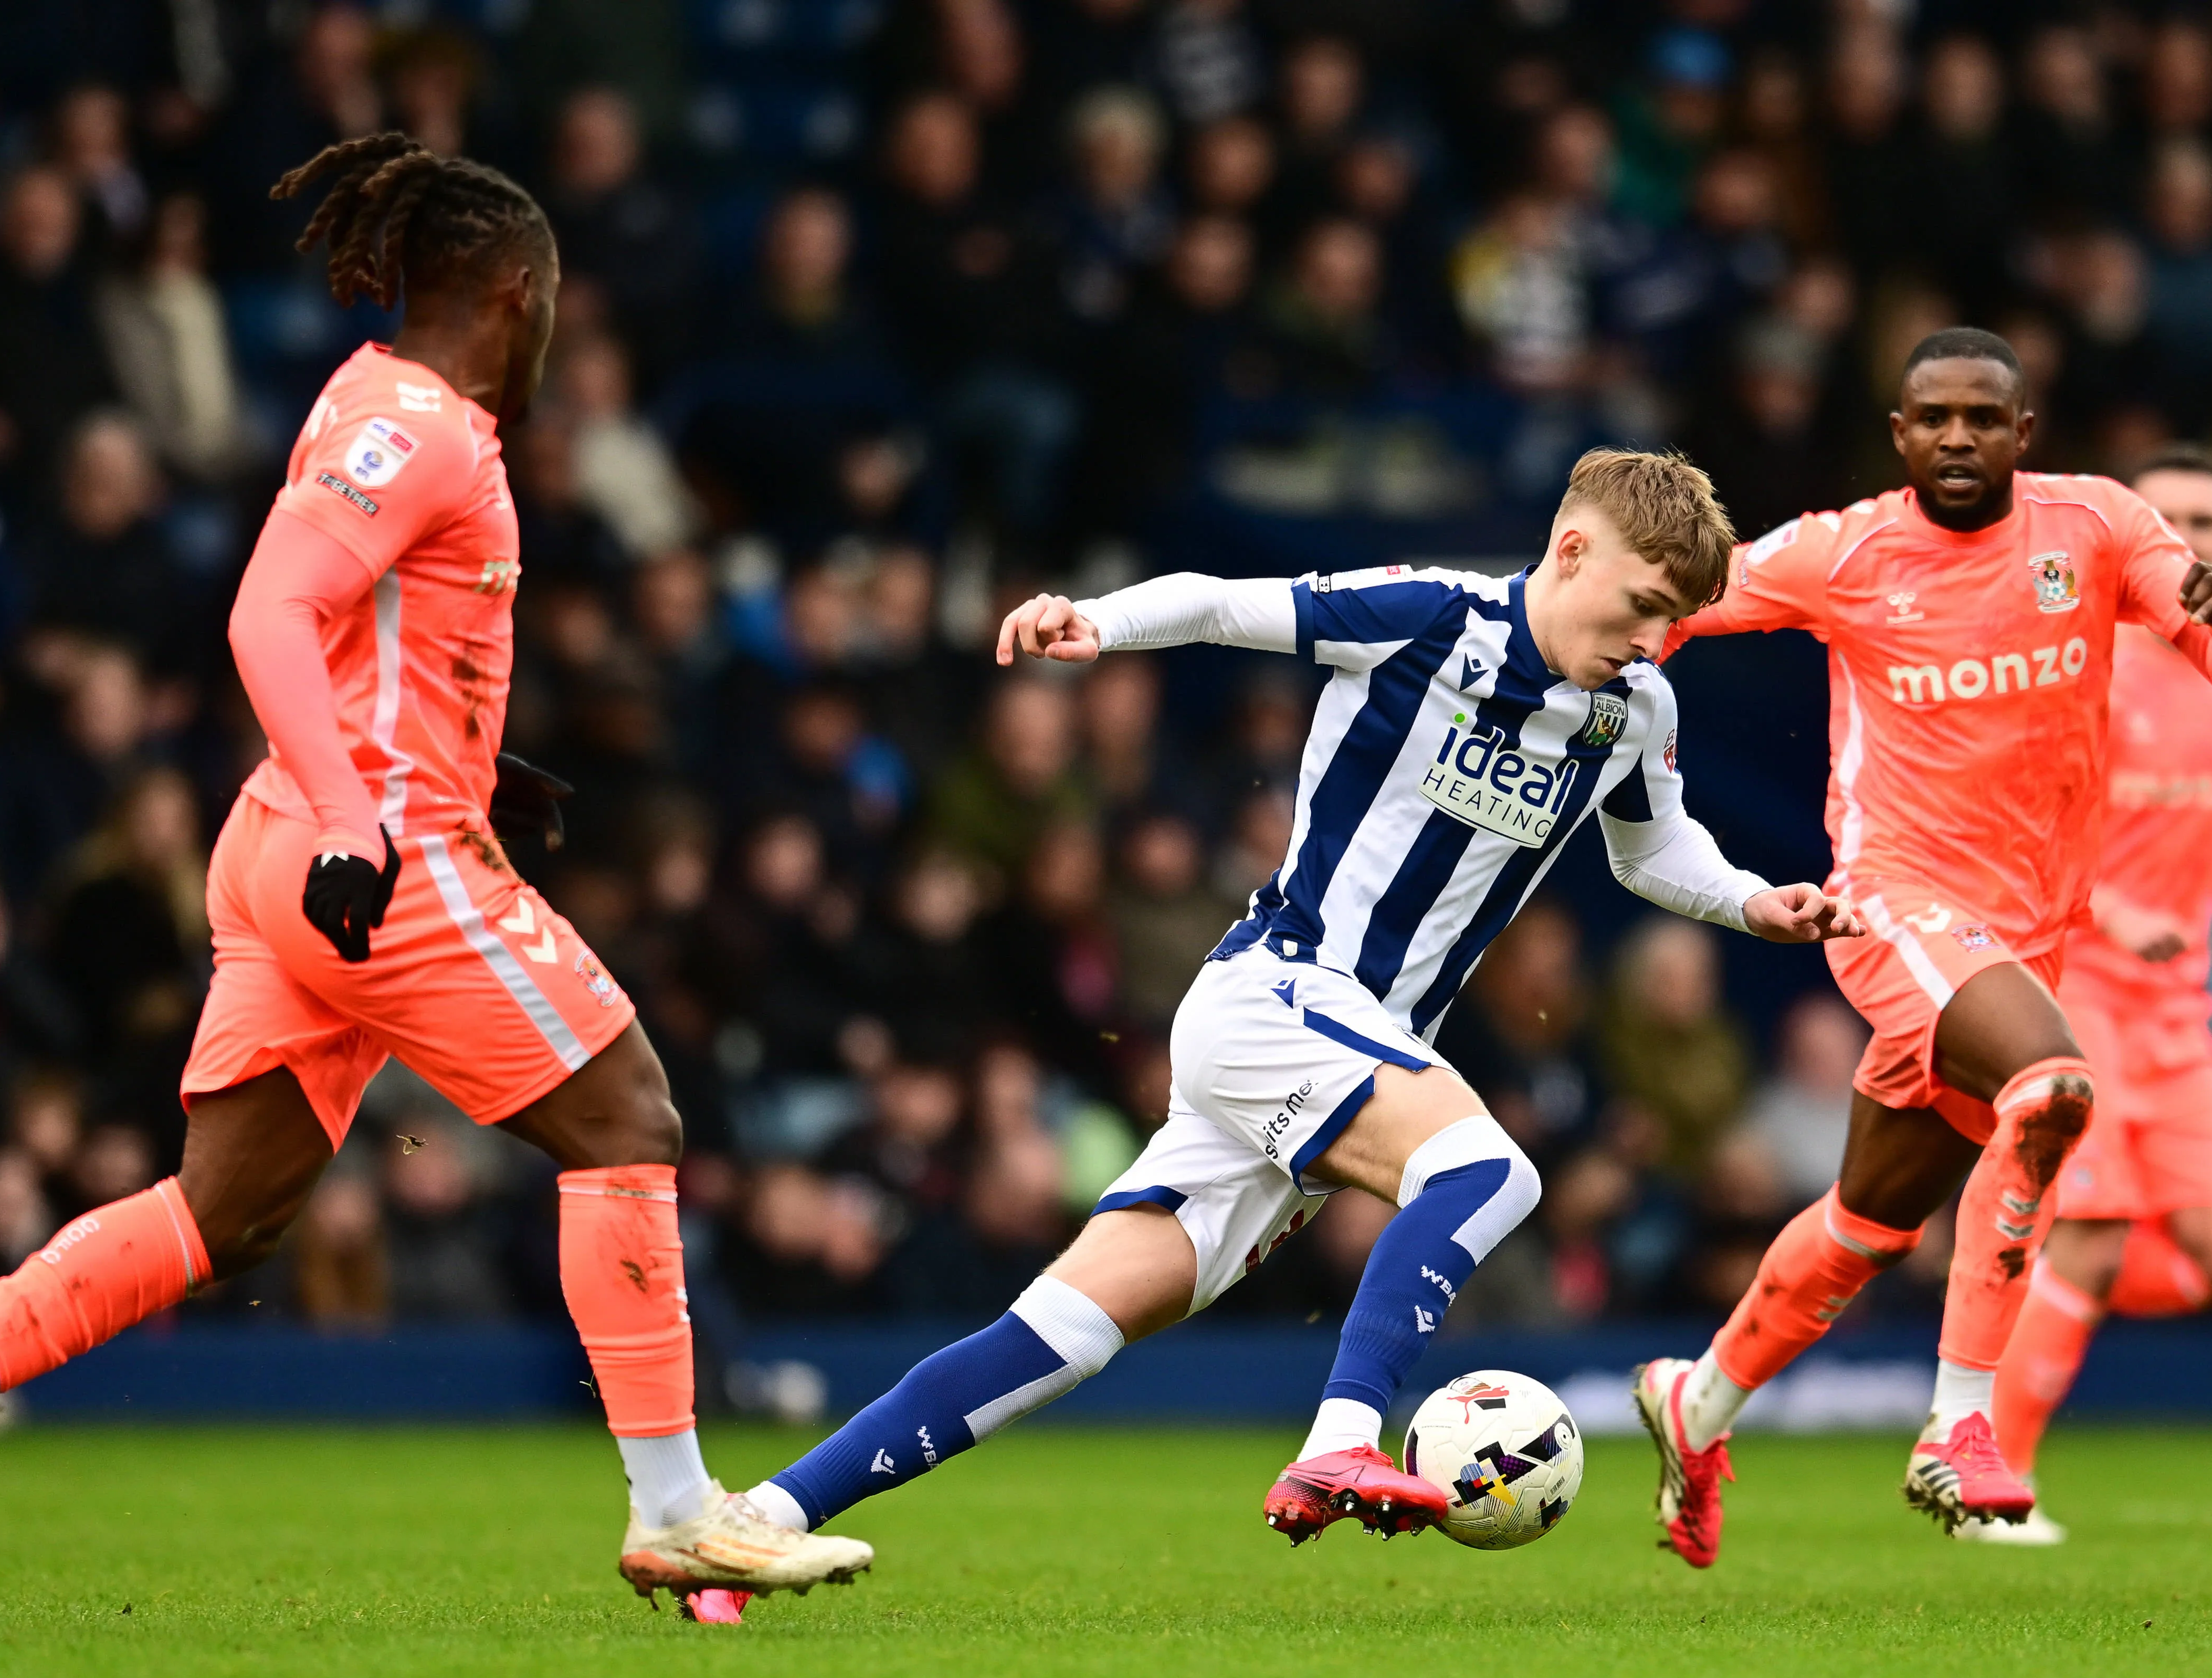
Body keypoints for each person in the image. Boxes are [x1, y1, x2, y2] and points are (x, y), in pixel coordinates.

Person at [0, 134, 870, 1615]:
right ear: (518, 290)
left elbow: (357, 638)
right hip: (368, 859)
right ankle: (680, 1508)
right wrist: (354, 816)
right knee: (629, 1113)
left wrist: (409, 774)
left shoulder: (370, 400)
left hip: (294, 847)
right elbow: (266, 614)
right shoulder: (424, 423)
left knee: (225, 1211)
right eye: (554, 302)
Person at [693, 448, 1859, 1616]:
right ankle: (1345, 1434)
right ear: (1572, 551)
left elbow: (1652, 848)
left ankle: (751, 1525)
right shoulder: (1429, 617)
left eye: (1676, 618)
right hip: (1280, 994)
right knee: (1487, 1171)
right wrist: (1090, 622)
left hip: (1350, 1044)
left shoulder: (1632, 709)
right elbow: (1216, 601)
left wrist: (1756, 902)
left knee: (1064, 1332)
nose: (1653, 637)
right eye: (1645, 604)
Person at [1632, 329, 2212, 1566]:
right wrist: (1588, 675)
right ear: (1901, 434)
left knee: (1868, 1225)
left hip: (2025, 934)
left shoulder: (2095, 527)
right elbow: (1681, 604)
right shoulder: (1847, 550)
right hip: (1897, 904)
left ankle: (1696, 1402)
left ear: (2024, 434)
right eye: (1936, 419)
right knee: (2055, 1088)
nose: (1961, 439)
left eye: (1986, 418)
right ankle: (1961, 1429)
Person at [1969, 447, 2212, 1544]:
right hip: (2075, 989)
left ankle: (2028, 1303)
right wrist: (2111, 911)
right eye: (2164, 521)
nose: (2190, 538)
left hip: (2174, 1012)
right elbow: (2013, 827)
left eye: (2209, 519)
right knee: (2098, 1235)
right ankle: (1991, 1483)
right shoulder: (2078, 664)